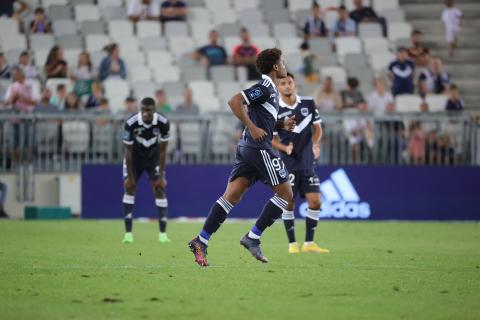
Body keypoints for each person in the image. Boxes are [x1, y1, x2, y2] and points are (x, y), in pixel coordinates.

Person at [187, 48, 296, 267]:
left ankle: (201, 240)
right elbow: (235, 101)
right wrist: (252, 127)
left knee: (232, 197)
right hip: (258, 147)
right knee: (286, 195)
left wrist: (280, 124)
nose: (284, 65)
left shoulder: (271, 91)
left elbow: (261, 118)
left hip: (248, 148)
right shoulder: (265, 87)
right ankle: (253, 237)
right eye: (282, 62)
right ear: (275, 66)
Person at [271, 73, 329, 254]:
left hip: (307, 162)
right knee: (289, 203)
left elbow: (318, 127)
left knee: (315, 201)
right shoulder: (274, 110)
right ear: (278, 87)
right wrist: (283, 148)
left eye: (289, 82)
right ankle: (292, 244)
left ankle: (309, 243)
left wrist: (315, 144)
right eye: (283, 83)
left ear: (294, 84)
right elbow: (271, 139)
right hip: (288, 162)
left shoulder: (308, 103)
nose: (287, 86)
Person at [122, 97, 171, 243]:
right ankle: (128, 235)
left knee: (159, 189)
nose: (145, 113)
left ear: (154, 110)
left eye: (148, 110)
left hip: (153, 157)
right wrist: (130, 178)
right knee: (129, 189)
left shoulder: (163, 122)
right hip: (134, 158)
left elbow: (163, 150)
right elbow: (128, 152)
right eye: (142, 110)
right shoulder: (131, 123)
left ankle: (163, 235)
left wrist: (161, 176)